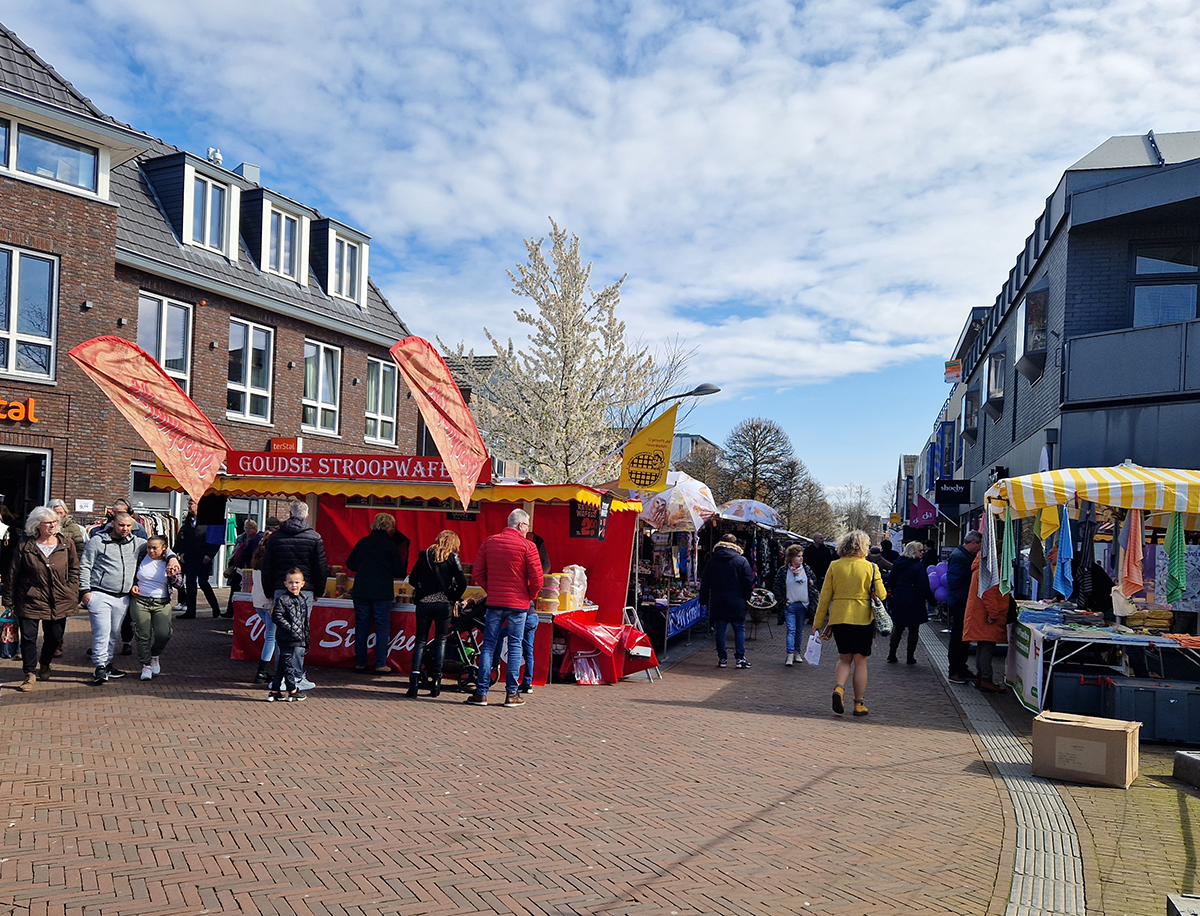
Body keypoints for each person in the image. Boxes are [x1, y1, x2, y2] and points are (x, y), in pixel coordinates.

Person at [81, 511, 180, 685]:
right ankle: (100, 667)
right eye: (121, 525)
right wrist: (84, 590)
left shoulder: (137, 543)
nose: (125, 529)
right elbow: (85, 565)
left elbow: (159, 545)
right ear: (113, 524)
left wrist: (172, 558)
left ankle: (107, 664)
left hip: (123, 596)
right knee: (102, 631)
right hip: (100, 592)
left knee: (113, 633)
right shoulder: (97, 541)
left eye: (128, 526)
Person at [463, 508, 543, 708]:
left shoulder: (490, 542)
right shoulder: (528, 546)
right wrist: (530, 595)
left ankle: (481, 693)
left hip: (494, 604)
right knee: (515, 646)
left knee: (489, 645)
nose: (527, 531)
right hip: (518, 605)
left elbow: (478, 571)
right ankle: (511, 694)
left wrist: (492, 589)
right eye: (527, 527)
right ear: (521, 525)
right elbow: (537, 579)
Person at [3, 506, 79, 691]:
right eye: (48, 523)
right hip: (30, 598)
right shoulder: (25, 546)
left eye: (55, 522)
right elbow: (13, 573)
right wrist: (8, 599)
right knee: (28, 638)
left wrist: (72, 589)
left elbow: (75, 569)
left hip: (59, 598)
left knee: (55, 636)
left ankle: (45, 662)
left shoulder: (66, 544)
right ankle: (29, 673)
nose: (53, 525)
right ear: (38, 525)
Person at [813, 530, 886, 718]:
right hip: (862, 618)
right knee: (861, 661)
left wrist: (818, 623)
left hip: (839, 617)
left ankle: (839, 688)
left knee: (844, 658)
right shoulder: (871, 567)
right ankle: (858, 704)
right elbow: (882, 594)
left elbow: (824, 597)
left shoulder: (834, 566)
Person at [260, 500, 327, 691]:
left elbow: (267, 567)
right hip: (305, 589)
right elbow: (320, 567)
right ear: (306, 516)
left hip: (280, 588)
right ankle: (296, 675)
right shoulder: (315, 537)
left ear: (289, 514)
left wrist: (269, 591)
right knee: (299, 634)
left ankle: (282, 675)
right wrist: (318, 590)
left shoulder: (276, 537)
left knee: (283, 634)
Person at [407, 529, 467, 698]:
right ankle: (436, 682)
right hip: (443, 604)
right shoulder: (452, 557)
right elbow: (462, 582)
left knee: (420, 641)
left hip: (424, 603)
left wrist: (423, 589)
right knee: (440, 640)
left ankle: (414, 681)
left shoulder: (424, 554)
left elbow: (412, 579)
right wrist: (453, 596)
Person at [345, 513, 405, 675]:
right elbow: (399, 570)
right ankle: (380, 663)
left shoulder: (363, 542)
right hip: (382, 592)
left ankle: (360, 662)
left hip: (361, 590)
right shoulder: (391, 546)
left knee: (361, 626)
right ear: (389, 528)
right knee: (382, 627)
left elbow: (350, 564)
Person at [130, 536, 181, 680]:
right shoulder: (141, 557)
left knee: (163, 634)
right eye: (149, 547)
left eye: (154, 548)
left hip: (161, 602)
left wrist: (172, 576)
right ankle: (146, 665)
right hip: (140, 600)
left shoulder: (170, 561)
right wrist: (133, 586)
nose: (151, 551)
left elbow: (179, 585)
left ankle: (154, 655)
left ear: (164, 548)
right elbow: (132, 575)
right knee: (142, 634)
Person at [700, 534, 755, 669]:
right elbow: (748, 581)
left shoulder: (712, 561)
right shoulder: (741, 560)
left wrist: (703, 599)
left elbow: (705, 582)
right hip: (737, 600)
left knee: (720, 629)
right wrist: (748, 596)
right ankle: (740, 658)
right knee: (739, 628)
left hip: (718, 600)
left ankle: (722, 659)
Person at [964, 554, 1009, 693]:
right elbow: (989, 594)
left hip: (980, 613)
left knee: (983, 645)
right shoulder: (989, 571)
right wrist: (994, 613)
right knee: (987, 646)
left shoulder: (981, 568)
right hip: (985, 615)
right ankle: (985, 678)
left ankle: (981, 676)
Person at [885, 541, 935, 664]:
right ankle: (910, 657)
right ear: (913, 552)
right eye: (920, 551)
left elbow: (891, 581)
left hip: (899, 597)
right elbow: (924, 586)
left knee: (898, 627)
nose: (922, 553)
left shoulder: (897, 564)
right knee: (913, 628)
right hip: (914, 598)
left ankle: (892, 654)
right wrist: (932, 601)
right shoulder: (918, 567)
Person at [268, 568, 311, 702]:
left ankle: (275, 690)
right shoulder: (283, 599)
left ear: (302, 584)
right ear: (285, 584)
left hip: (296, 636)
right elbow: (277, 616)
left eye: (297, 582)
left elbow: (304, 621)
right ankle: (292, 690)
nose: (294, 585)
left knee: (283, 663)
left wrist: (304, 636)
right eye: (291, 582)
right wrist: (290, 629)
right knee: (288, 663)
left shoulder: (302, 599)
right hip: (286, 637)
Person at [771, 544, 818, 666]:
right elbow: (776, 587)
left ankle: (798, 652)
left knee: (799, 631)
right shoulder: (783, 571)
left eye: (802, 556)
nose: (801, 559)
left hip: (803, 605)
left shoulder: (806, 570)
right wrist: (783, 602)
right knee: (791, 630)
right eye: (798, 556)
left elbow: (814, 584)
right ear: (791, 557)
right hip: (790, 605)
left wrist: (812, 584)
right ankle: (790, 654)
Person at [946, 531, 983, 684]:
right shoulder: (961, 558)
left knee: (964, 636)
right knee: (959, 637)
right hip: (961, 602)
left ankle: (961, 667)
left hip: (963, 601)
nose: (980, 549)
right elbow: (956, 583)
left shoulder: (962, 555)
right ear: (973, 542)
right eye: (980, 545)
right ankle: (955, 670)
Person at [175, 498, 221, 619]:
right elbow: (184, 537)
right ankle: (190, 611)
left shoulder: (209, 520)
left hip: (203, 557)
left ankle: (215, 608)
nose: (189, 506)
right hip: (190, 556)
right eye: (188, 503)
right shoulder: (188, 520)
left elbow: (215, 539)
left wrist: (209, 555)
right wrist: (182, 552)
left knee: (203, 582)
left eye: (191, 504)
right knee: (190, 583)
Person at [249, 523, 279, 684]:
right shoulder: (271, 564)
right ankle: (262, 670)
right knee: (271, 637)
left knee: (271, 636)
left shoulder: (256, 562)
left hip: (258, 603)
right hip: (269, 603)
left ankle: (264, 670)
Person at [222, 518, 261, 618]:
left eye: (250, 527)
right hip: (238, 567)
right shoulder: (241, 538)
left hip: (248, 568)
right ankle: (230, 610)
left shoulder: (257, 539)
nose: (248, 530)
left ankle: (243, 612)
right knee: (234, 588)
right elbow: (236, 551)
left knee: (246, 590)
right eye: (246, 527)